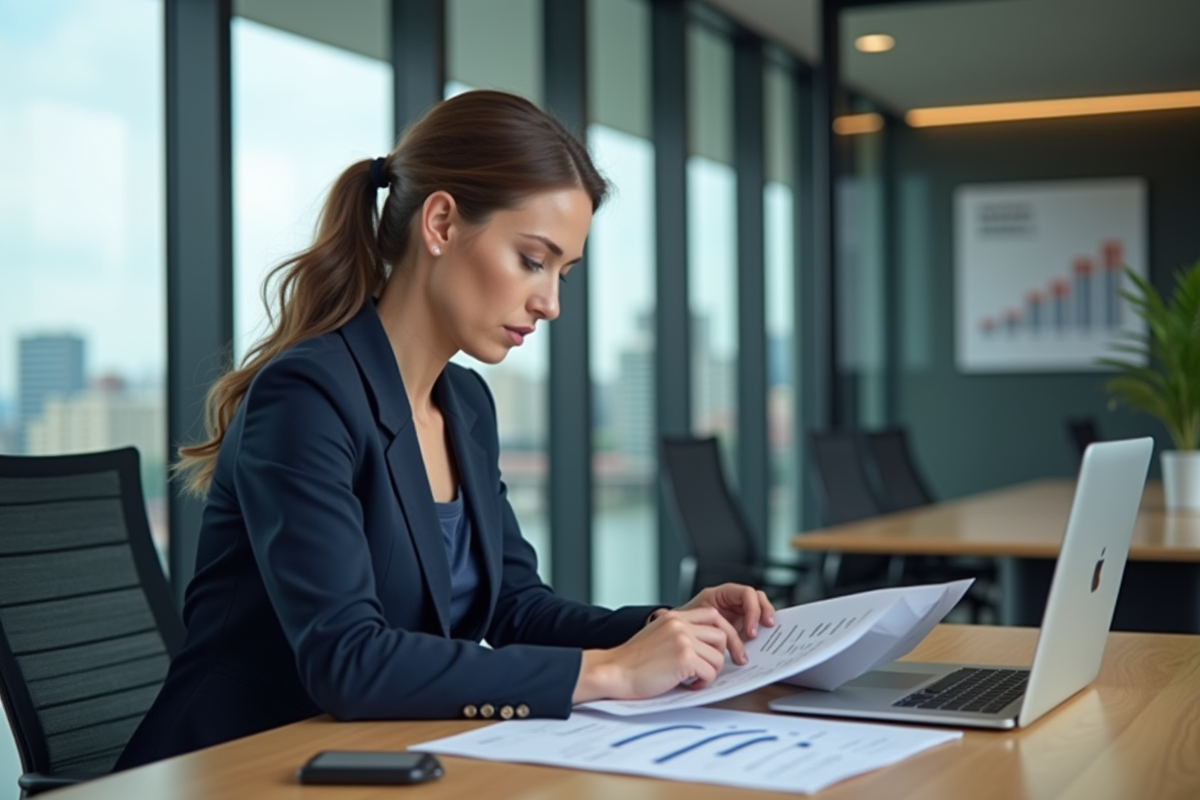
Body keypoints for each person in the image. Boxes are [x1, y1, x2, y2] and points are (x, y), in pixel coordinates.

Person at [116, 90, 775, 770]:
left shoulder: (465, 404)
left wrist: (671, 626)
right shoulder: (306, 396)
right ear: (440, 223)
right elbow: (348, 659)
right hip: (242, 766)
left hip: (378, 758)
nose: (550, 303)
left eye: (563, 273)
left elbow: (517, 608)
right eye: (532, 259)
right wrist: (607, 673)